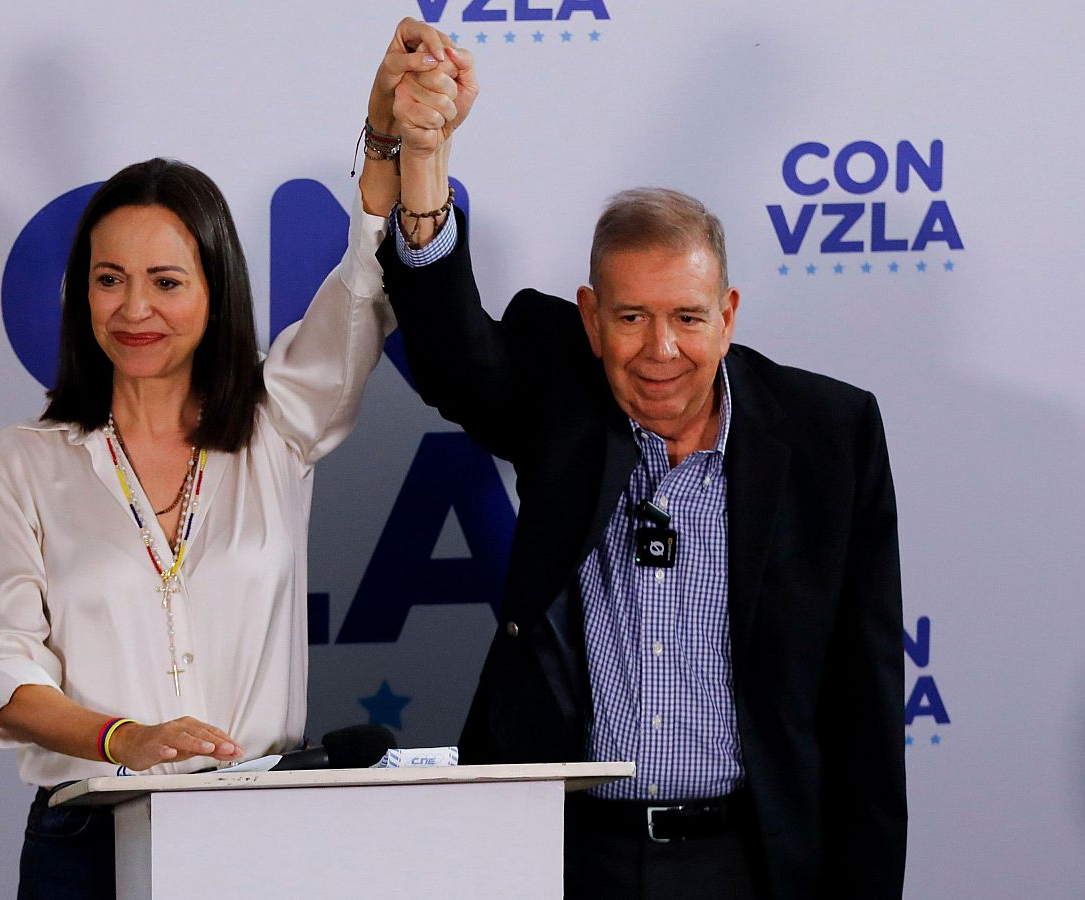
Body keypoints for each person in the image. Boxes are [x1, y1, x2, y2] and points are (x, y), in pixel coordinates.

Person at [365, 20, 907, 898]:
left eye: (688, 318)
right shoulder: (561, 393)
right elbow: (454, 355)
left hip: (756, 861)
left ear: (728, 313)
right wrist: (423, 157)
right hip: (572, 857)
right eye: (630, 318)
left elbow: (868, 702)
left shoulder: (830, 436)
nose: (661, 350)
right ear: (590, 317)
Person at [0, 137, 465, 897]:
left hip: (260, 830)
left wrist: (389, 140)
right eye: (109, 280)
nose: (135, 309)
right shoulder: (21, 462)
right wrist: (126, 739)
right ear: (80, 295)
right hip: (90, 838)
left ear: (215, 291)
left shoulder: (278, 424)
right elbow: (1, 666)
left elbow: (361, 288)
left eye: (166, 281)